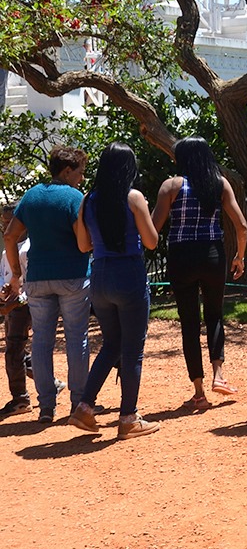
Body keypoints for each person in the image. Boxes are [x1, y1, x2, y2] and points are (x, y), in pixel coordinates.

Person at [67, 143, 161, 440]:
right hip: (129, 274)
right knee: (132, 351)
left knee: (111, 345)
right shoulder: (133, 198)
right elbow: (151, 241)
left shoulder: (87, 200)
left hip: (100, 276)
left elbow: (83, 246)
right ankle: (128, 418)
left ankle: (84, 406)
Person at [151, 137, 247, 410]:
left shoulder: (171, 186)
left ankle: (199, 391)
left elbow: (153, 228)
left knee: (189, 323)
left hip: (181, 256)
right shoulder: (218, 184)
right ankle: (219, 375)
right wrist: (240, 256)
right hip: (212, 254)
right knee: (215, 314)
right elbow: (241, 225)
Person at [3, 146, 91, 424]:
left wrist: (16, 273)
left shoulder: (31, 196)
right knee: (77, 339)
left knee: (41, 341)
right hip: (73, 275)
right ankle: (78, 403)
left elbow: (10, 236)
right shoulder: (75, 197)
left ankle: (45, 407)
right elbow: (82, 241)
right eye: (79, 172)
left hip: (38, 278)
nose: (81, 178)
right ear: (67, 171)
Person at [0, 204, 32, 418]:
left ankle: (20, 398)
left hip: (22, 307)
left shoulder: (29, 249)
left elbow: (31, 285)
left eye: (9, 222)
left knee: (14, 349)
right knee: (17, 350)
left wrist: (15, 302)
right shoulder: (7, 250)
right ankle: (52, 382)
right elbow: (5, 277)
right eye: (2, 223)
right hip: (10, 306)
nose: (5, 227)